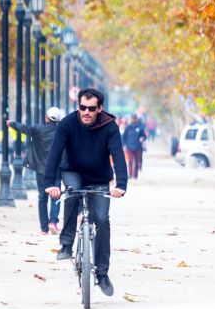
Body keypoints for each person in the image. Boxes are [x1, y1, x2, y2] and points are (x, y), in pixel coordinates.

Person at [44, 88, 127, 297]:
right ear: (78, 106)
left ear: (100, 108)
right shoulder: (67, 124)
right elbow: (54, 153)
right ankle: (66, 244)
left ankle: (102, 274)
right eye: (82, 107)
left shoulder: (109, 127)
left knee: (102, 219)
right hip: (73, 171)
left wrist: (121, 185)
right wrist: (49, 183)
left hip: (99, 178)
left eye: (91, 108)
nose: (86, 112)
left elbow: (118, 155)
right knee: (71, 193)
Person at [8, 107, 65, 235]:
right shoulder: (61, 132)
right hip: (56, 169)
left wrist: (12, 123)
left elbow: (24, 128)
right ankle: (53, 222)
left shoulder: (39, 130)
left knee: (42, 197)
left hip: (41, 170)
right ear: (59, 120)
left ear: (47, 118)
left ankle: (44, 229)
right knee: (56, 196)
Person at [122, 115, 147, 180]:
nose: (133, 120)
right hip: (129, 147)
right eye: (132, 118)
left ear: (136, 119)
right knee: (130, 161)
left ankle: (135, 176)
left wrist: (142, 138)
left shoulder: (140, 127)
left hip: (138, 147)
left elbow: (144, 136)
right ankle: (130, 174)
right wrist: (124, 145)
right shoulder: (128, 128)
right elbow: (123, 137)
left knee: (137, 162)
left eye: (134, 118)